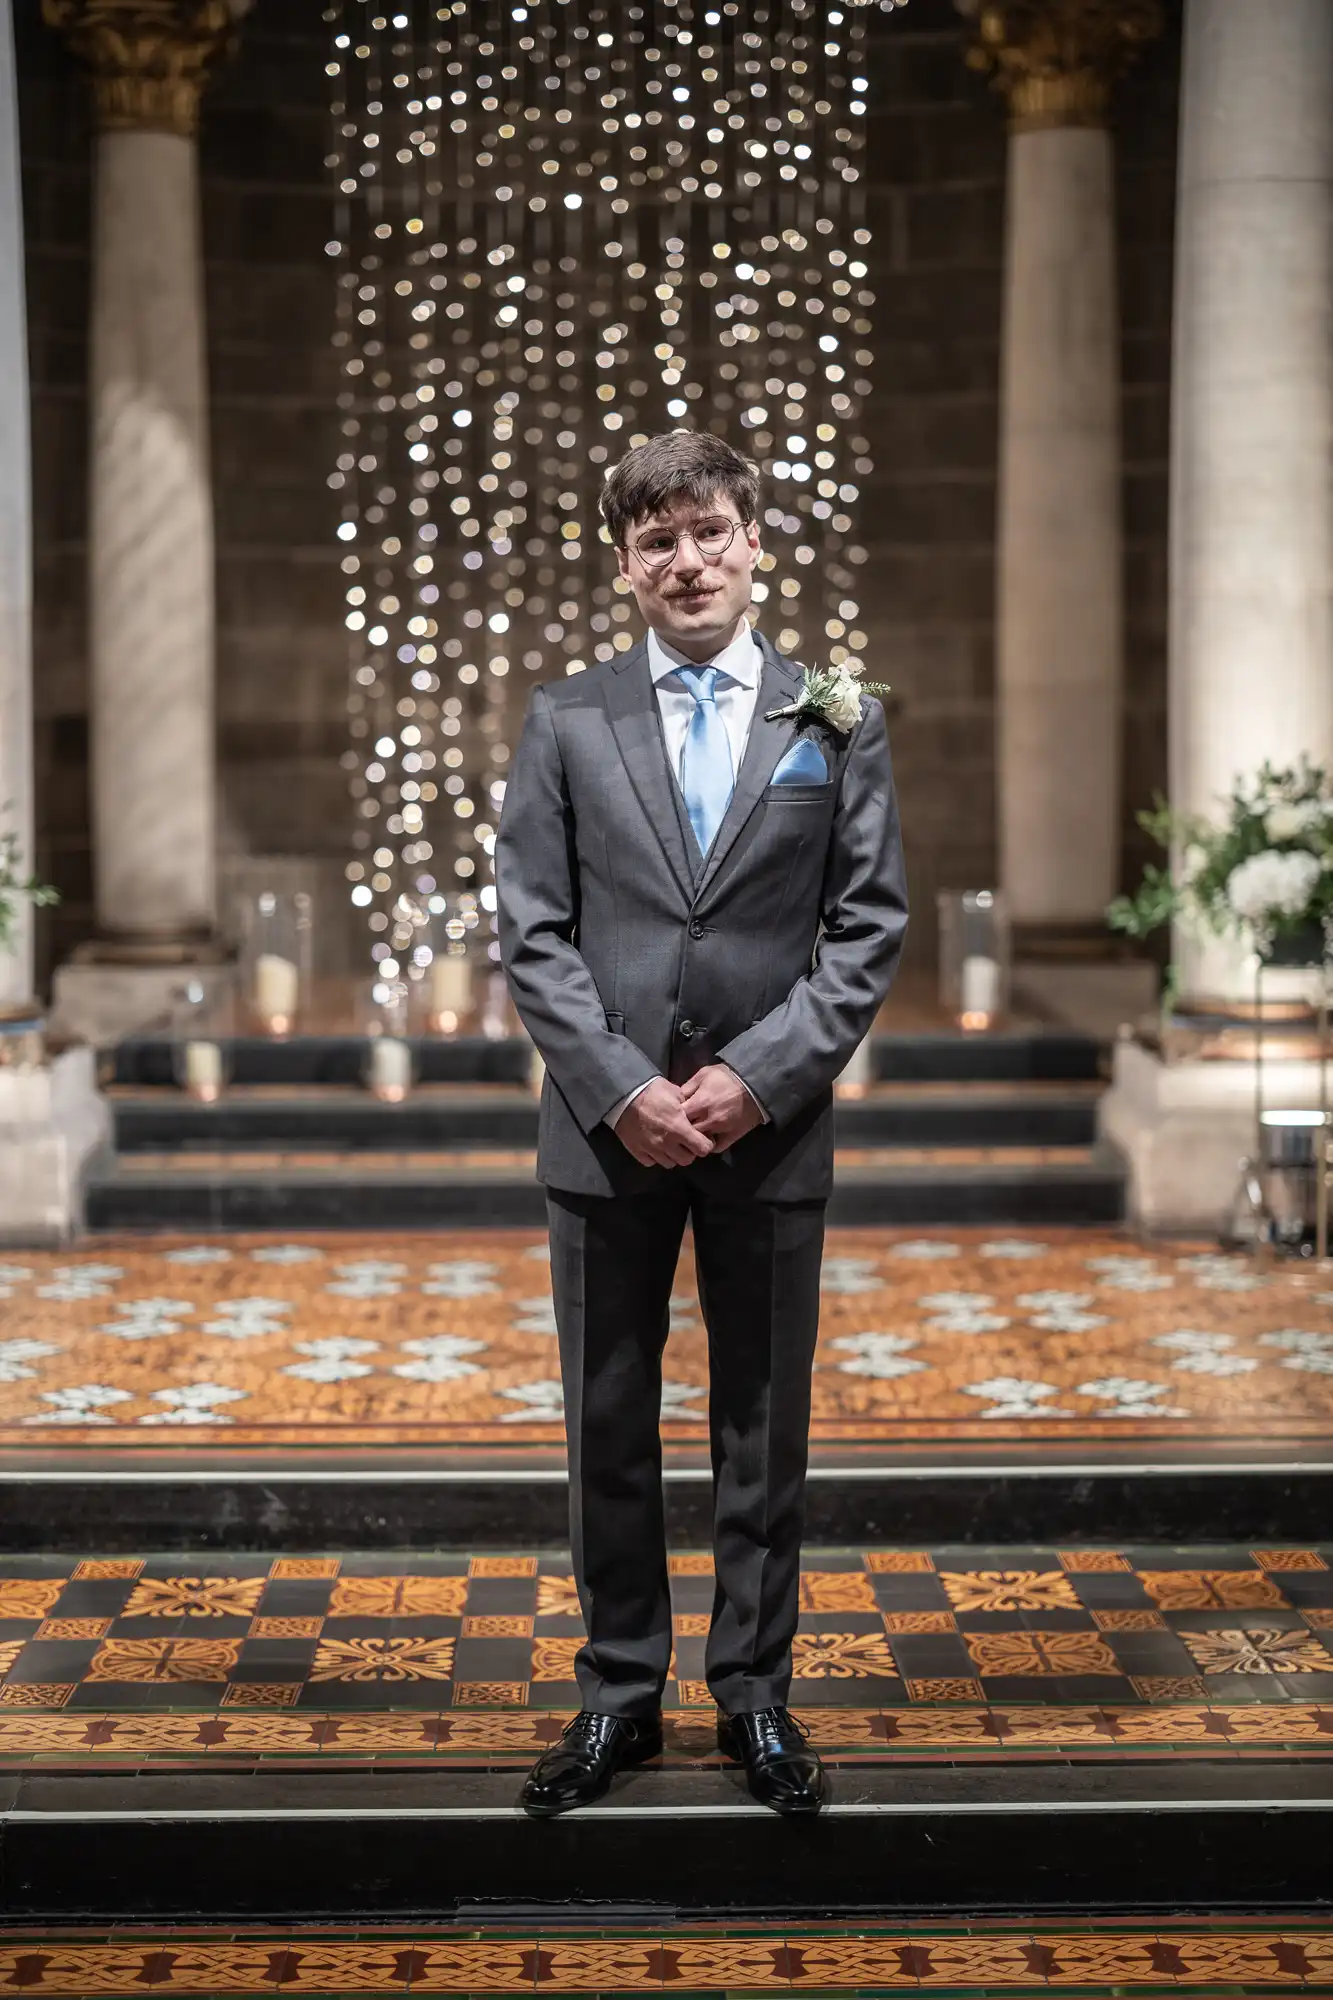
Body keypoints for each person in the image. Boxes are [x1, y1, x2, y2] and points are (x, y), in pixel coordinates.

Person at [496, 429, 908, 1818]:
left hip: (769, 1132)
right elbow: (535, 934)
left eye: (709, 531)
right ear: (625, 566)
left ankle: (755, 1695)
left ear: (754, 542)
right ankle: (620, 1693)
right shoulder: (566, 719)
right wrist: (621, 1085)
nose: (688, 560)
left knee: (762, 1424)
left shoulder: (834, 714)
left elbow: (866, 927)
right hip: (606, 1135)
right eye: (656, 540)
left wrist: (761, 1076)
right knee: (606, 1424)